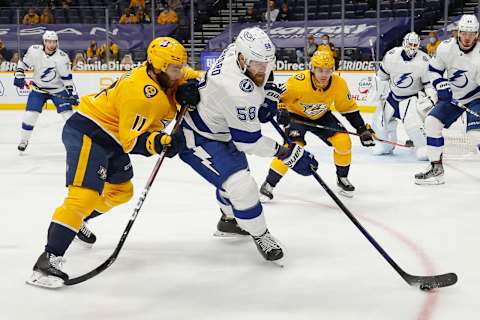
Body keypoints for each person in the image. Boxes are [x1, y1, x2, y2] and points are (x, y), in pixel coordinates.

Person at [26, 37, 200, 288]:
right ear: (160, 67)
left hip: (111, 139)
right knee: (83, 197)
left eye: (180, 67)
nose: (180, 72)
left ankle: (78, 222)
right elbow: (133, 142)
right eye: (175, 69)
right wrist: (160, 142)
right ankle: (48, 259)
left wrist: (191, 82)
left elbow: (189, 75)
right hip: (89, 132)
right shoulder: (142, 95)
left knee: (121, 191)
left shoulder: (161, 73)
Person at [177, 27, 318, 261]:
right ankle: (260, 233)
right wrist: (289, 154)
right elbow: (248, 142)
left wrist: (268, 97)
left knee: (231, 181)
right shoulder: (236, 91)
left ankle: (229, 220)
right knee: (241, 185)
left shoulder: (240, 51)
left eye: (266, 62)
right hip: (198, 136)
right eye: (257, 64)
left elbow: (263, 76)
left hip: (221, 126)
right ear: (242, 59)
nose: (262, 69)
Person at [259, 52, 374, 200]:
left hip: (322, 116)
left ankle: (342, 178)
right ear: (312, 68)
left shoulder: (339, 84)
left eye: (328, 70)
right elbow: (278, 96)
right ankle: (269, 184)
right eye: (320, 70)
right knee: (292, 148)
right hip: (296, 117)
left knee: (343, 142)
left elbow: (348, 108)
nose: (324, 74)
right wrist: (281, 110)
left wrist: (361, 128)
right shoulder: (299, 81)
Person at [415, 15, 480, 184]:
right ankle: (436, 169)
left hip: (476, 98)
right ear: (458, 33)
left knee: (476, 137)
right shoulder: (445, 48)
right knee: (431, 123)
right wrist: (440, 84)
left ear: (477, 35)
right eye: (464, 33)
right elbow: (434, 70)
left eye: (471, 34)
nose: (467, 38)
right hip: (453, 97)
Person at [372, 32, 437, 161]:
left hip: (411, 98)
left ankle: (423, 146)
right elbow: (382, 76)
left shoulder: (424, 60)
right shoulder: (392, 55)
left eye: (415, 45)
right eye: (410, 44)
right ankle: (385, 144)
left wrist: (432, 97)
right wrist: (377, 89)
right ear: (404, 43)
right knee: (379, 121)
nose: (412, 47)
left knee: (412, 125)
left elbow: (428, 84)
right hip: (392, 95)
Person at [13, 31, 78, 153]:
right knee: (30, 115)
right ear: (44, 42)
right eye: (49, 41)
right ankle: (24, 140)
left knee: (69, 116)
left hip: (58, 89)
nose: (51, 44)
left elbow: (67, 79)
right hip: (38, 89)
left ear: (57, 42)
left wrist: (72, 94)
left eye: (54, 42)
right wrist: (19, 74)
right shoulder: (34, 51)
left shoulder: (62, 57)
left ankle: (77, 142)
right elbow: (23, 63)